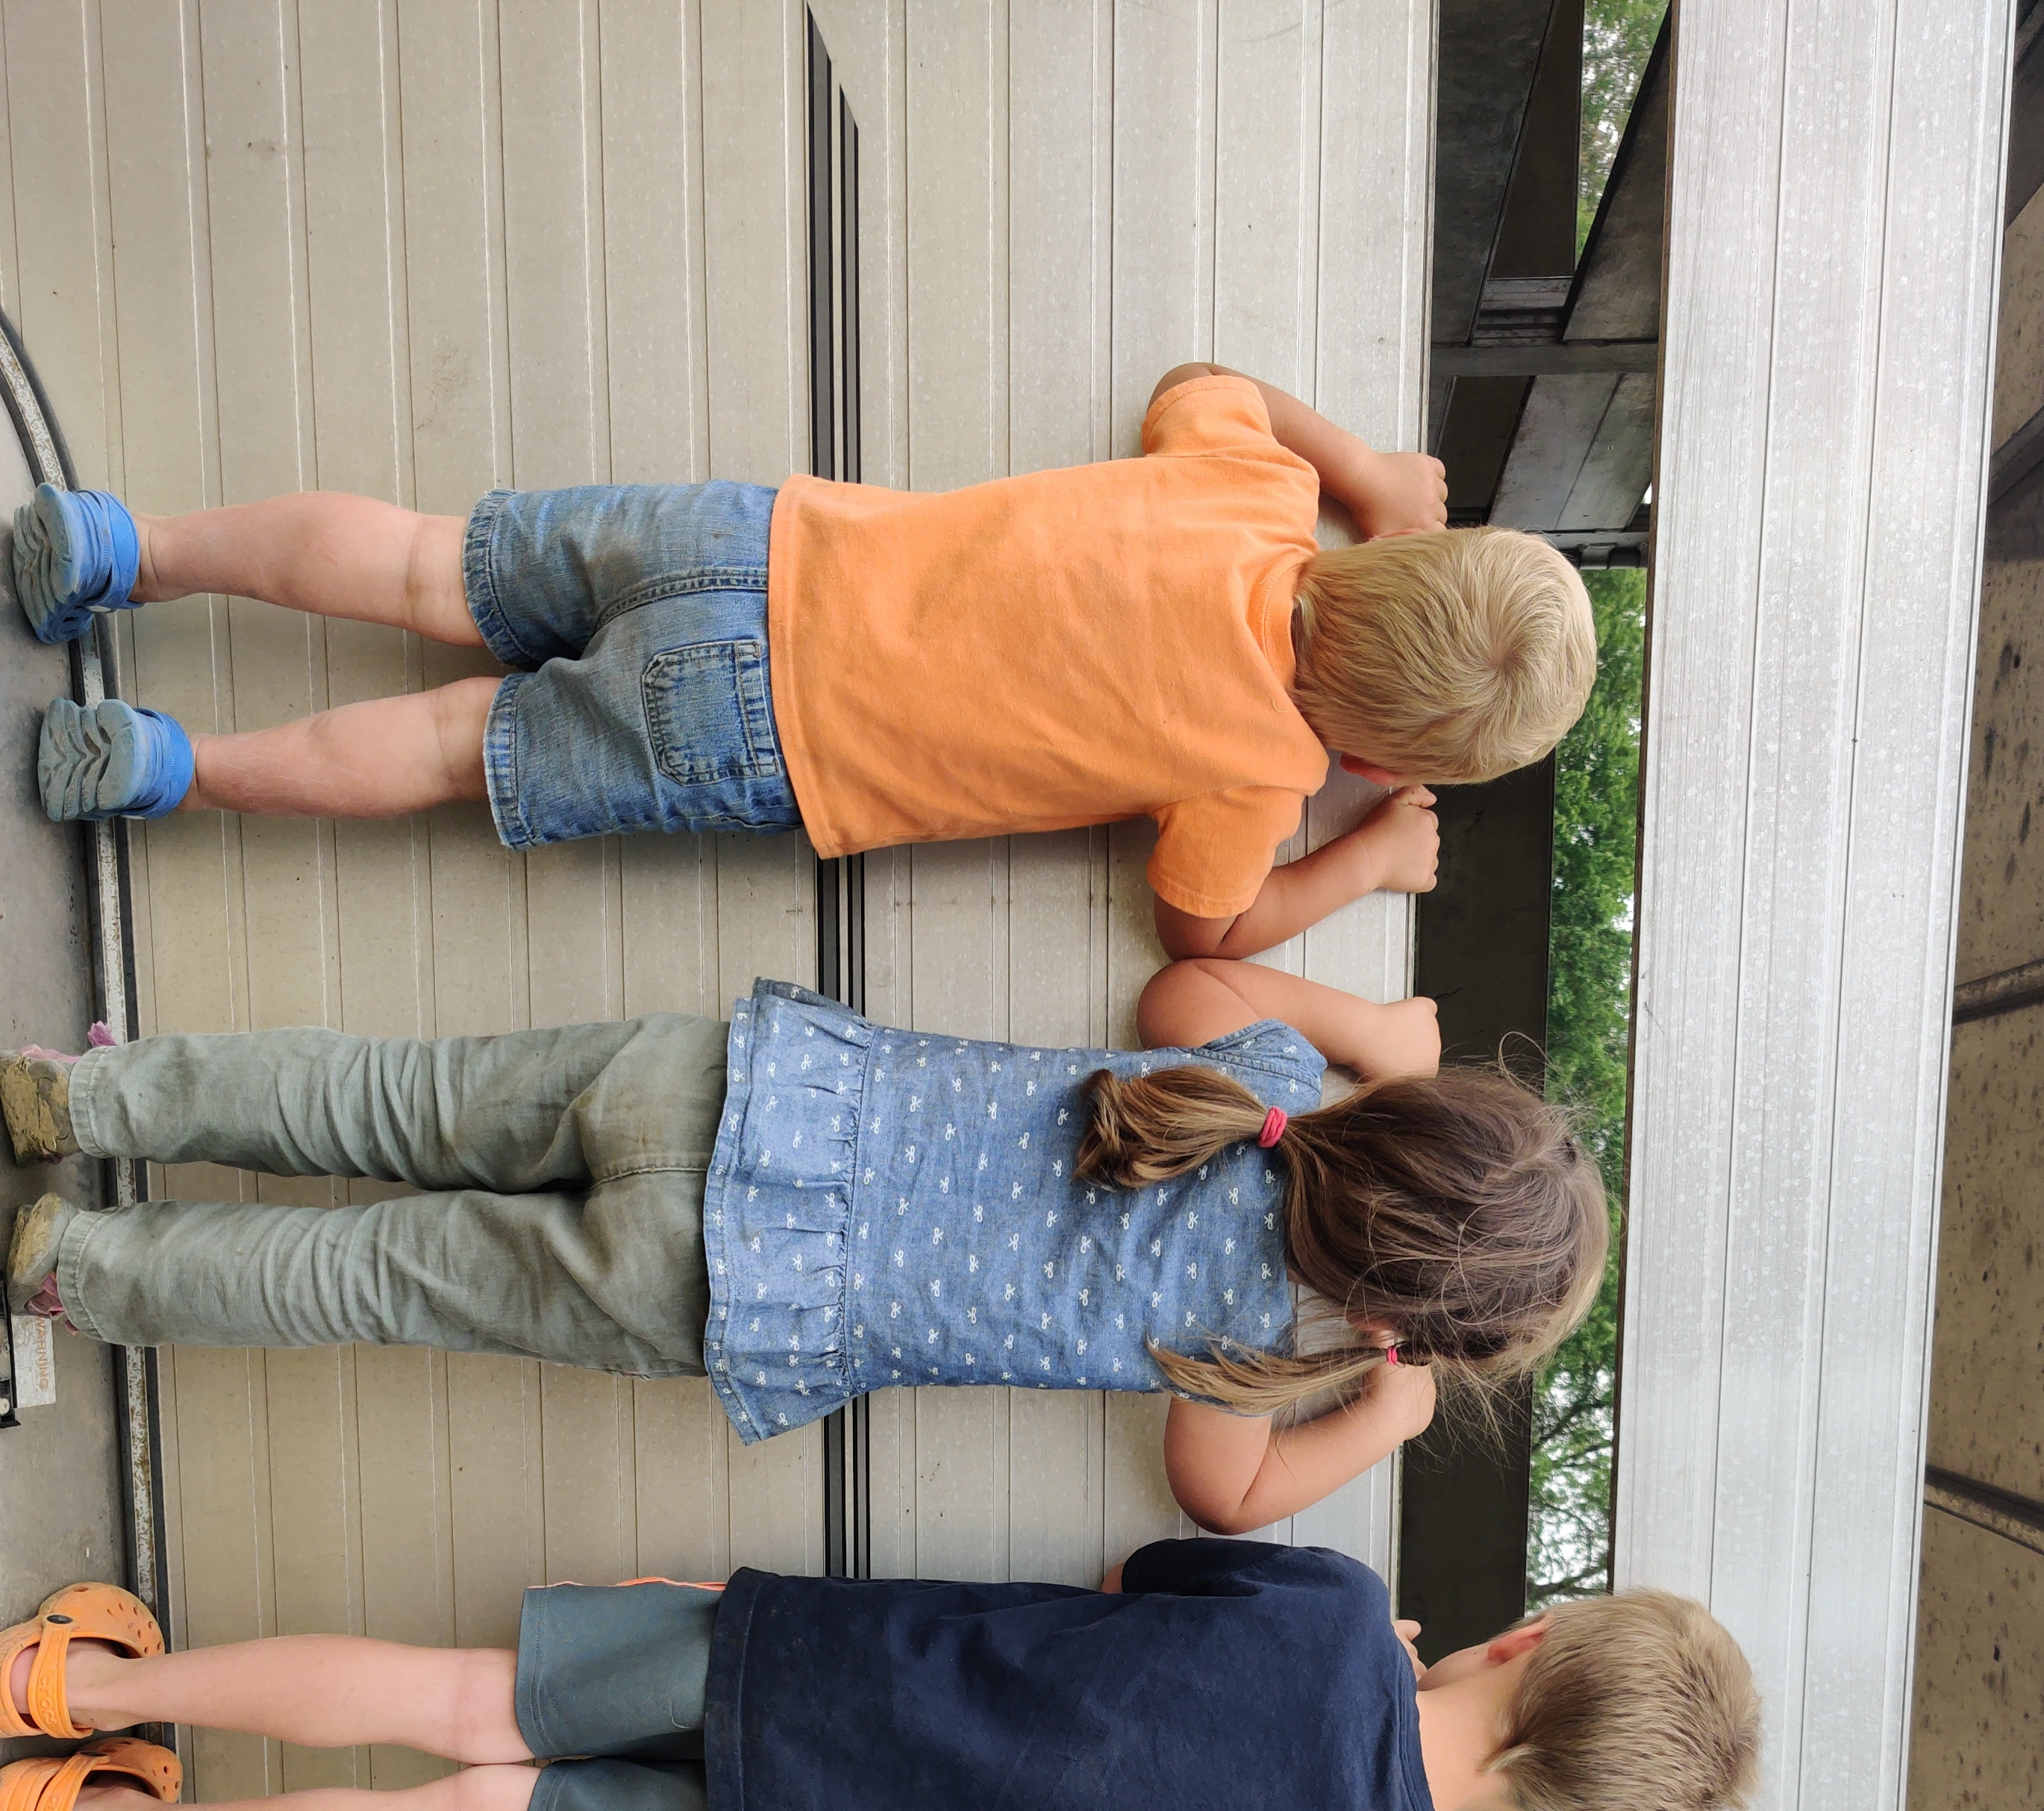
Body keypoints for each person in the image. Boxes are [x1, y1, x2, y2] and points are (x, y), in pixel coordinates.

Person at [13, 367, 1596, 965]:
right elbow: (1206, 928)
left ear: (1394, 555)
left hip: (759, 544)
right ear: (1385, 757)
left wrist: (1365, 472)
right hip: (767, 733)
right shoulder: (1261, 777)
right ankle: (172, 767)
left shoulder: (1253, 488)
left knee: (429, 560)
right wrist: (1361, 860)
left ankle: (124, 545)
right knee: (448, 746)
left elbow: (1206, 379)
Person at [0, 958, 1607, 1535]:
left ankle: (86, 1095)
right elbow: (1222, 1496)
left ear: (1411, 1115)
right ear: (1412, 1323)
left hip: (746, 1095)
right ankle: (75, 1261)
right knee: (371, 1280)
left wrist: (1373, 1038)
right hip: (734, 1292)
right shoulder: (1265, 1350)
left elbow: (1183, 985)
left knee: (386, 1095)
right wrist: (1380, 1409)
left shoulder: (1263, 1084)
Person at [0, 1551, 1760, 1811]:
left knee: (462, 1698)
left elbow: (1147, 1580)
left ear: (1532, 1638)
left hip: (837, 1672)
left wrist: (1368, 1650)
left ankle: (83, 1681)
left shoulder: (1340, 1608)